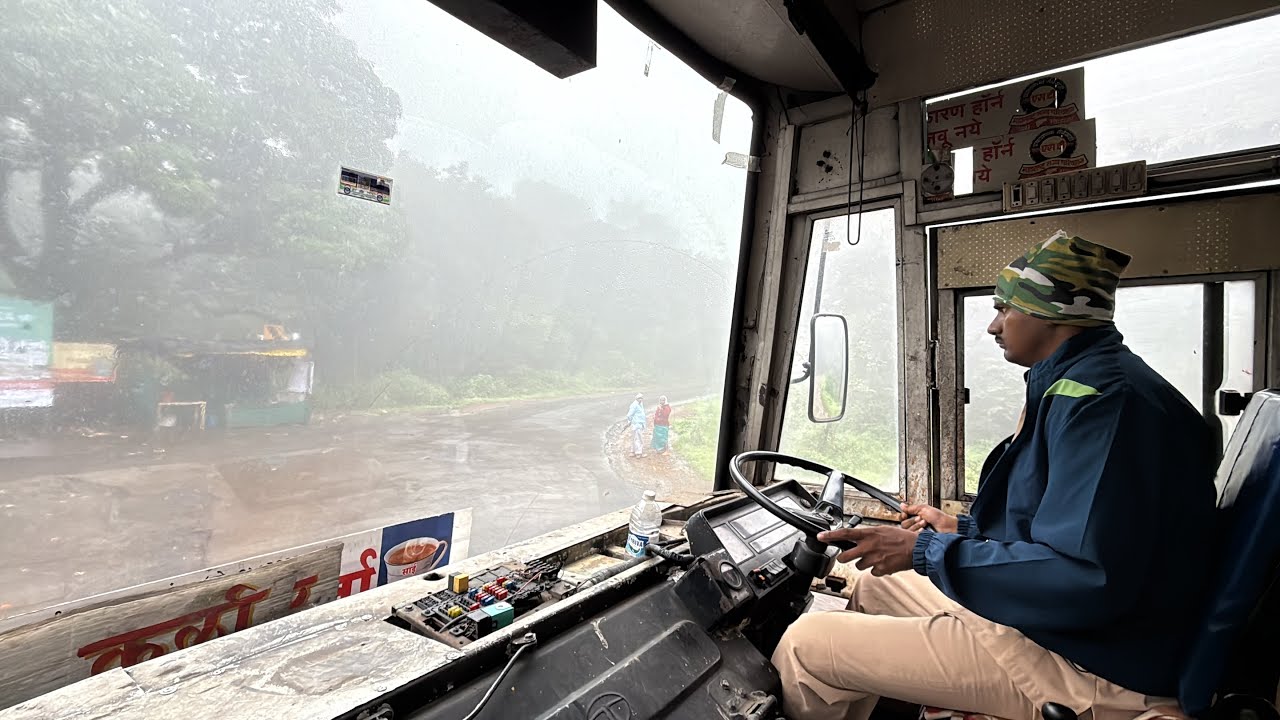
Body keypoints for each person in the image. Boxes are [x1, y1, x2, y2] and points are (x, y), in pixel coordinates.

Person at [772, 231, 1218, 720]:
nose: (993, 326)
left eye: (1005, 308)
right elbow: (1076, 533)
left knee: (805, 646)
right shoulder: (1085, 383)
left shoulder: (1105, 405)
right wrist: (961, 531)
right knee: (874, 585)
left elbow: (1087, 576)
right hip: (1076, 630)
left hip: (1093, 663)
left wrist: (923, 550)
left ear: (1052, 313)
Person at [626, 393, 646, 457]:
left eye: (641, 398)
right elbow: (629, 415)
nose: (640, 399)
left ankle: (633, 451)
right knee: (638, 438)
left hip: (639, 423)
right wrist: (630, 421)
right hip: (636, 424)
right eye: (639, 398)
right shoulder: (634, 405)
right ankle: (638, 453)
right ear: (636, 398)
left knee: (635, 438)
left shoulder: (640, 404)